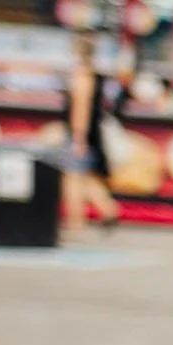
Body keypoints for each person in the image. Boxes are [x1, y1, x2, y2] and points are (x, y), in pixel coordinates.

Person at [64, 34, 126, 231]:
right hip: (93, 133)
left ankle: (75, 221)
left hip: (81, 134)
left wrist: (78, 138)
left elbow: (80, 109)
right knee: (87, 177)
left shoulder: (81, 77)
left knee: (73, 177)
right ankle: (109, 209)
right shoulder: (96, 75)